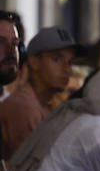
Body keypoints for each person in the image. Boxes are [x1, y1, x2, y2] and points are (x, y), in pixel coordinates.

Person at [0, 27, 78, 159]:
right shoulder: (23, 107)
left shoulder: (47, 105)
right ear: (34, 62)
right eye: (57, 59)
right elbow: (39, 170)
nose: (67, 69)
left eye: (70, 62)